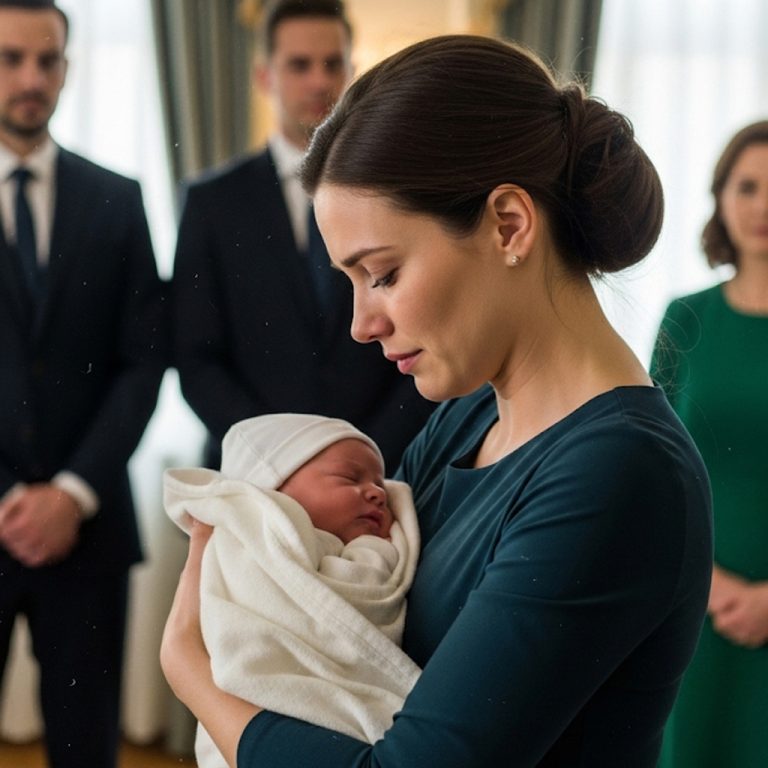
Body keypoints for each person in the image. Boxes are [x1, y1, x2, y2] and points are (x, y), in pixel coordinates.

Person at [160, 35, 713, 767]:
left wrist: (193, 670)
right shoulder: (467, 417)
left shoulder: (618, 473)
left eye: (381, 274)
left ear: (508, 224)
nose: (362, 323)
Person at [0, 1, 166, 766]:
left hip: (90, 531)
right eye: (11, 58)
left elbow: (144, 360)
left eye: (48, 59)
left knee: (87, 750)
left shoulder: (118, 198)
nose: (32, 78)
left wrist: (71, 492)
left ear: (67, 67)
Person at [170, 0, 435, 473]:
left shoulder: (401, 192)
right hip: (253, 478)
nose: (319, 81)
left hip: (385, 470)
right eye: (299, 65)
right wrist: (286, 462)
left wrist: (363, 457)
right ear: (264, 76)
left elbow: (428, 334)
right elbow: (196, 360)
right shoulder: (211, 202)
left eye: (332, 64)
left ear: (352, 69)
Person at [164, 413, 420, 768]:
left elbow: (366, 592)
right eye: (350, 477)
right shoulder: (254, 541)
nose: (379, 492)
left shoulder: (349, 553)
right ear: (273, 489)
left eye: (379, 481)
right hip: (253, 712)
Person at [651, 120, 768, 768]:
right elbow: (650, 467)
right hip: (696, 606)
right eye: (748, 186)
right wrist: (710, 585)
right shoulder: (685, 317)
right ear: (721, 196)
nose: (764, 206)